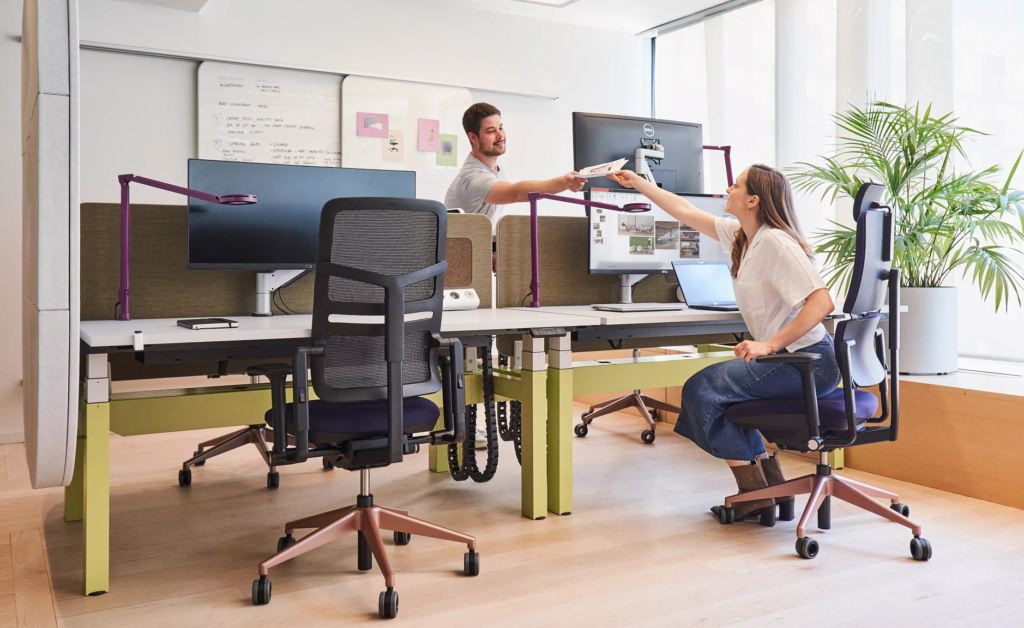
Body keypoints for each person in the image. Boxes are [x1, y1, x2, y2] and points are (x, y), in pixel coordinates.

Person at [607, 164, 839, 524]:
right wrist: (638, 183)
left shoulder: (777, 242)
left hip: (809, 363)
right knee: (719, 391)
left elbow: (822, 303)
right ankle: (770, 489)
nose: (728, 188)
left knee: (704, 389)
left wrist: (769, 345)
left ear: (753, 200)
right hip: (791, 361)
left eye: (736, 185)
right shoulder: (743, 236)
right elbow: (684, 211)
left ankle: (753, 496)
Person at [445, 102, 585, 223]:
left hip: (478, 247)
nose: (500, 135)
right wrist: (563, 182)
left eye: (500, 127)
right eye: (491, 131)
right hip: (462, 253)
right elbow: (516, 193)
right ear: (473, 138)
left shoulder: (494, 167)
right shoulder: (474, 178)